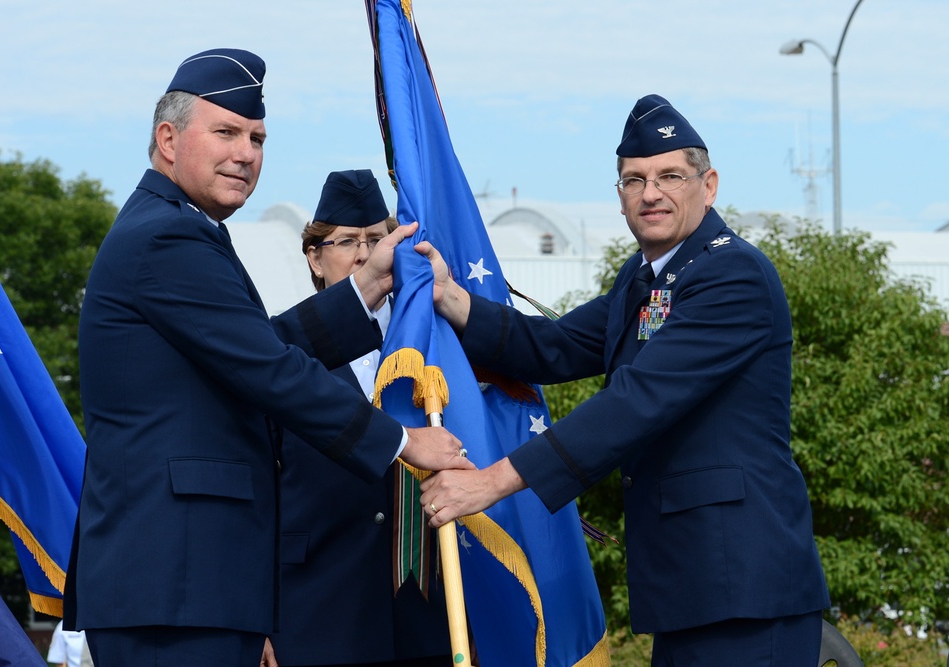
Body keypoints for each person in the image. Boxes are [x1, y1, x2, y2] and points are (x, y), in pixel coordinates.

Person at [64, 49, 471, 667]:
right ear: (168, 139)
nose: (246, 152)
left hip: (187, 585)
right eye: (225, 132)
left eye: (256, 137)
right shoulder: (168, 235)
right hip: (174, 586)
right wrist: (402, 443)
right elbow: (271, 370)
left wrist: (363, 290)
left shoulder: (174, 228)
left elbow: (256, 348)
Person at [416, 94, 831, 666]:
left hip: (745, 589)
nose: (650, 193)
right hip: (694, 586)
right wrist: (449, 297)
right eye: (634, 180)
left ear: (708, 186)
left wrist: (489, 483)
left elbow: (634, 403)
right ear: (620, 198)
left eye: (669, 176)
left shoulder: (730, 274)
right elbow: (556, 346)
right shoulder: (643, 279)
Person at [265, 169, 451, 667]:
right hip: (314, 613)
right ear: (315, 256)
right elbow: (256, 493)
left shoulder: (429, 350)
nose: (367, 255)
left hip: (424, 616)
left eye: (378, 238)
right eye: (348, 241)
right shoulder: (280, 352)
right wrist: (256, 620)